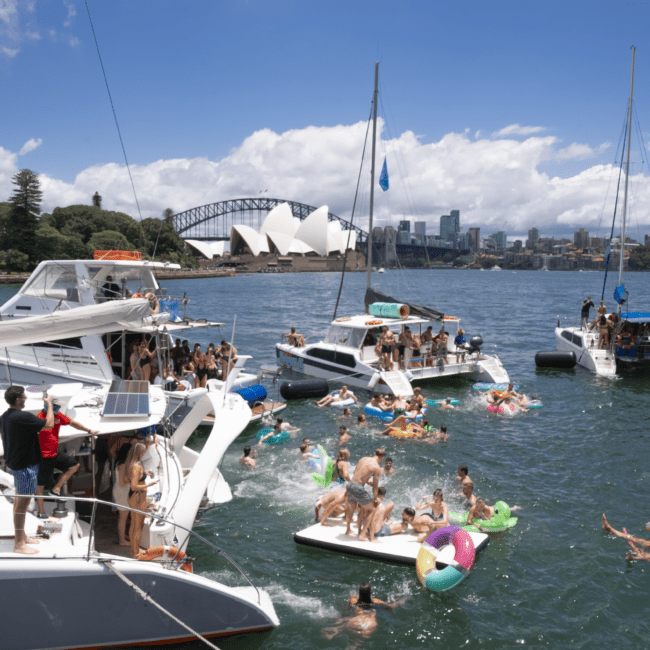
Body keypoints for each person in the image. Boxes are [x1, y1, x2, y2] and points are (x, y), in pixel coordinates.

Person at [0, 386, 55, 554]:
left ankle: (21, 536)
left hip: (16, 464)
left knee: (18, 503)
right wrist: (50, 406)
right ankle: (19, 545)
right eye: (24, 397)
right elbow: (49, 424)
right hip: (25, 467)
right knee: (22, 505)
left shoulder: (5, 416)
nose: (26, 399)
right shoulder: (22, 416)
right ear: (17, 400)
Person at [35, 401, 99, 518]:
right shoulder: (39, 418)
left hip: (54, 454)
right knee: (40, 486)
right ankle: (41, 512)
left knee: (74, 465)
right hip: (41, 457)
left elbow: (73, 423)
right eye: (53, 410)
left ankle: (55, 489)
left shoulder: (58, 416)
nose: (55, 413)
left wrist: (89, 431)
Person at [342, 448, 386, 536]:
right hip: (358, 488)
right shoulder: (377, 467)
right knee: (372, 509)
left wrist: (366, 482)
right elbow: (375, 487)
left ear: (374, 453)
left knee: (352, 507)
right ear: (383, 457)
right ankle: (362, 535)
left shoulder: (363, 459)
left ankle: (348, 529)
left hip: (350, 484)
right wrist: (376, 498)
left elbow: (357, 474)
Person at [126, 442, 158, 558]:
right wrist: (149, 484)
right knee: (138, 526)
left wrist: (144, 474)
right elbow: (134, 486)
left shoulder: (131, 464)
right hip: (138, 498)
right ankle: (136, 553)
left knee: (134, 525)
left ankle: (133, 549)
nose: (145, 453)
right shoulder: (136, 467)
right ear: (140, 452)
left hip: (134, 497)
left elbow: (134, 478)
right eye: (144, 451)